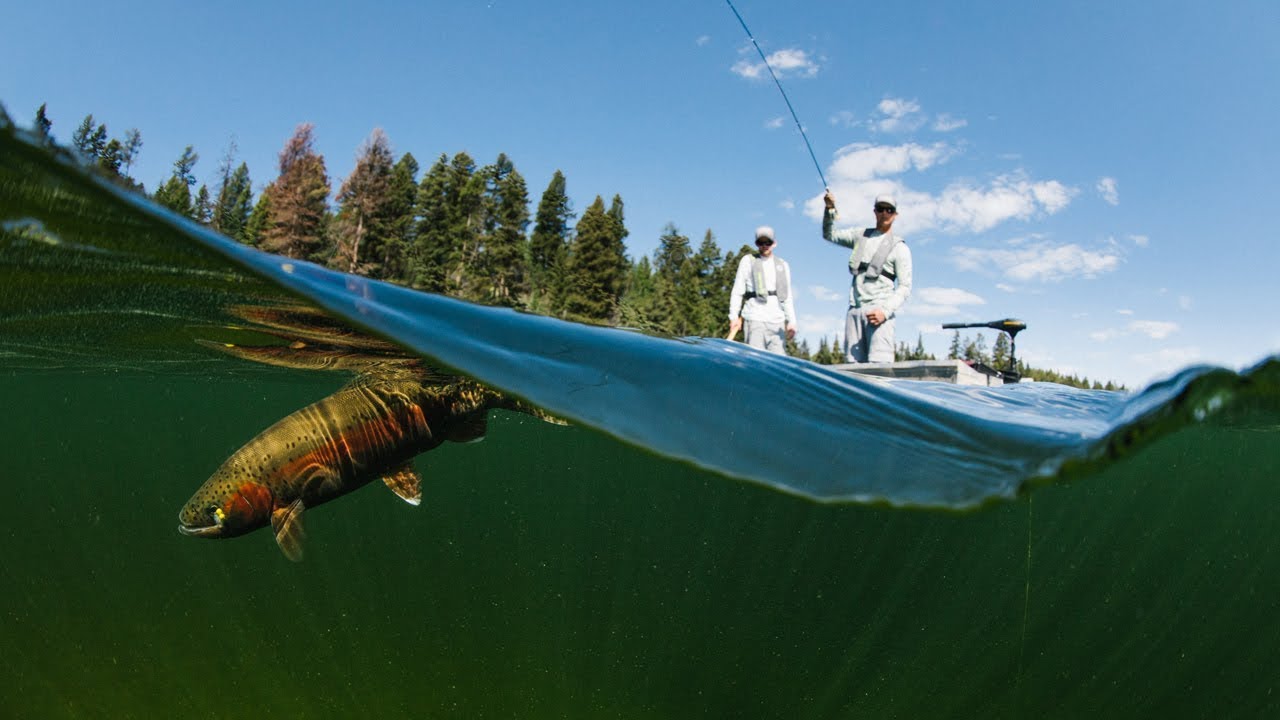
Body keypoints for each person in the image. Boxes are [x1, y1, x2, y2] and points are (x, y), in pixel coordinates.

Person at [821, 192, 912, 362]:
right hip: (854, 310)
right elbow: (830, 234)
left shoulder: (900, 248)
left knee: (880, 370)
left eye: (889, 210)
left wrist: (884, 312)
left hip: (879, 312)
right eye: (880, 209)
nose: (884, 213)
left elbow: (905, 287)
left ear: (895, 215)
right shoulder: (859, 235)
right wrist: (829, 209)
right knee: (852, 371)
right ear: (874, 211)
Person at [727, 226, 797, 355]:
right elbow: (737, 291)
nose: (764, 246)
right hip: (754, 319)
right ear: (756, 244)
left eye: (768, 242)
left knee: (778, 364)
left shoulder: (783, 265)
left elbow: (787, 297)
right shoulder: (748, 261)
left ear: (774, 243)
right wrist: (733, 317)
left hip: (777, 322)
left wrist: (792, 321)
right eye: (761, 243)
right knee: (755, 360)